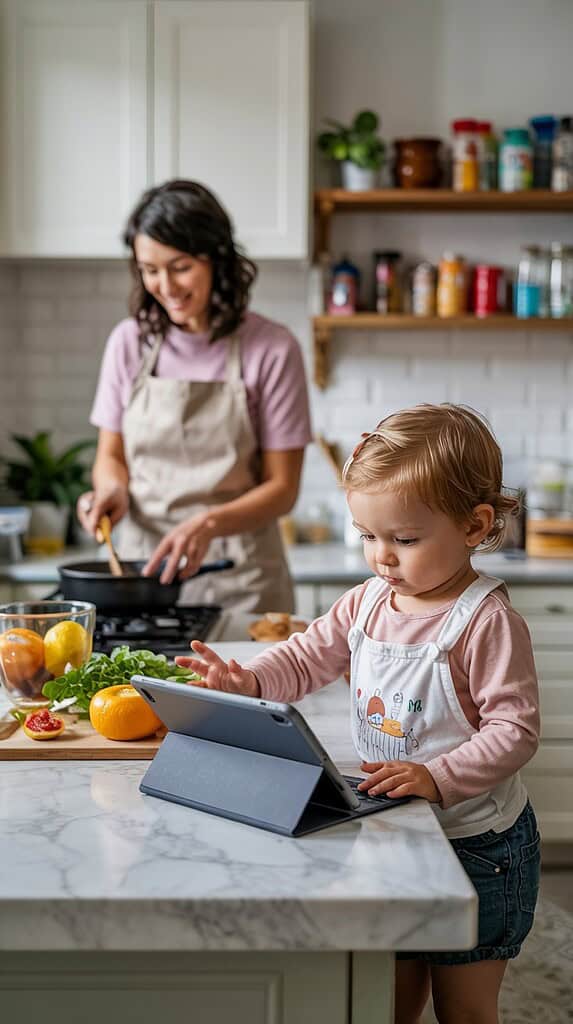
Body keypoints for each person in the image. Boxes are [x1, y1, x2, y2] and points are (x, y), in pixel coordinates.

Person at [176, 403, 541, 1024]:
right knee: (386, 1002)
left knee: (466, 1011)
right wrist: (247, 679)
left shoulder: (486, 621)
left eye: (404, 539)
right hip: (395, 833)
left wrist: (438, 776)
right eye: (368, 535)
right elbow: (305, 659)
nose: (382, 558)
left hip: (478, 845)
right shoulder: (368, 600)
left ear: (476, 526)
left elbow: (515, 729)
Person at [77, 179, 311, 612]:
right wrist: (111, 490)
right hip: (140, 576)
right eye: (149, 270)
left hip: (241, 581)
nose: (165, 285)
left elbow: (283, 488)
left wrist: (208, 523)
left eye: (180, 266)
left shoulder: (273, 348)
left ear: (217, 259)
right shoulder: (129, 342)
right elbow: (111, 455)